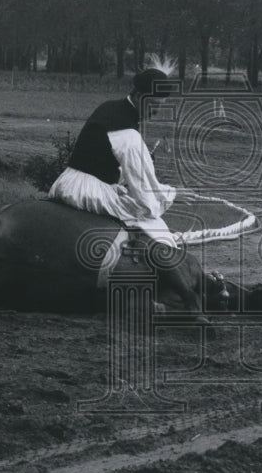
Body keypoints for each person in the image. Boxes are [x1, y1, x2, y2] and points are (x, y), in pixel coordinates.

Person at [49, 67, 207, 320]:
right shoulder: (128, 134)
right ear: (140, 95)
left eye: (160, 105)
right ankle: (171, 288)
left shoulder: (110, 108)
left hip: (72, 178)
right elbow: (143, 188)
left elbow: (112, 164)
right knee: (149, 221)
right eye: (154, 104)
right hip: (87, 188)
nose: (155, 111)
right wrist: (172, 194)